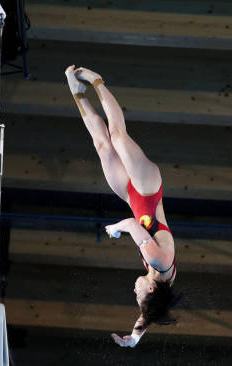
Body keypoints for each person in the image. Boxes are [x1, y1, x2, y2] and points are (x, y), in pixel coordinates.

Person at [65, 65, 179, 347]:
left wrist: (135, 339)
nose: (134, 290)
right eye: (138, 294)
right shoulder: (159, 262)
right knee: (117, 135)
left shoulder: (160, 280)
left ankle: (77, 93)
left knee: (102, 144)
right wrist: (115, 230)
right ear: (151, 288)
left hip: (132, 196)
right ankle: (96, 81)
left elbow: (148, 314)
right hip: (148, 188)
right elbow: (130, 225)